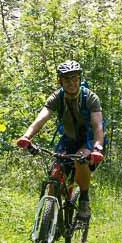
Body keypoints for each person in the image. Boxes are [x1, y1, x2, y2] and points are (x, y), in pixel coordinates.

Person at [16, 60, 104, 221]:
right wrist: (26, 136)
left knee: (80, 160)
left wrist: (98, 148)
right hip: (68, 140)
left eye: (75, 78)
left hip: (87, 141)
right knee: (54, 176)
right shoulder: (57, 97)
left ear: (79, 79)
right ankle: (49, 224)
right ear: (60, 81)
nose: (72, 83)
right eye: (67, 79)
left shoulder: (90, 98)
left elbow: (98, 126)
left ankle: (84, 199)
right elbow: (40, 119)